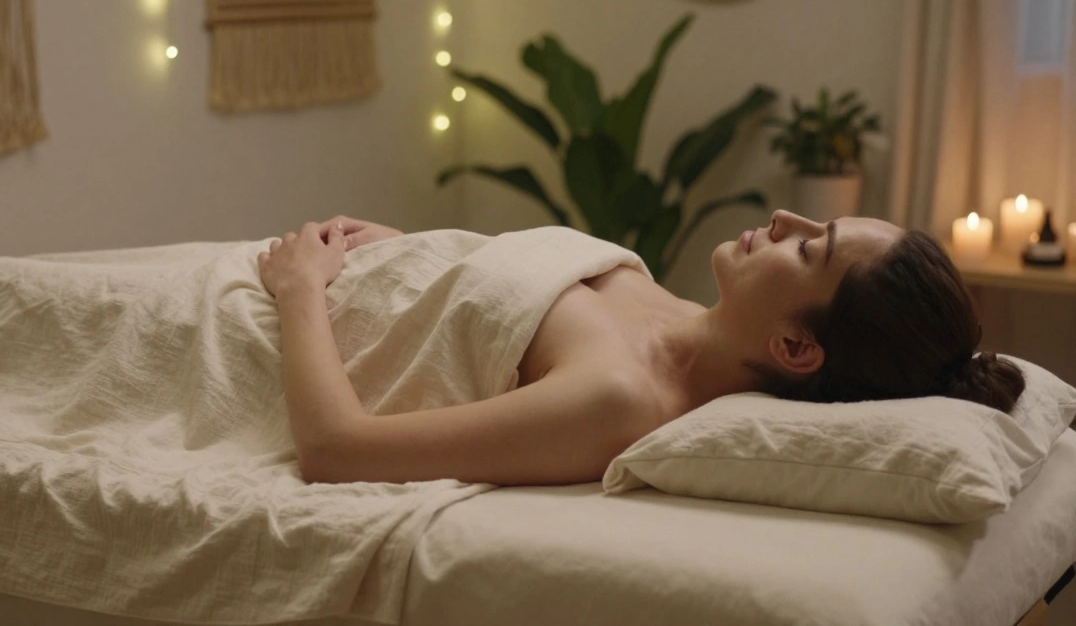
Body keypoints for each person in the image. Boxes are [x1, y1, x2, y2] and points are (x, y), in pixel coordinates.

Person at [257, 210, 1026, 487]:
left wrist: (299, 289)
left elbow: (337, 449)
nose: (785, 217)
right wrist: (418, 254)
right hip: (317, 268)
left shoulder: (618, 400)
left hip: (268, 317)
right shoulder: (680, 310)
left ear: (796, 347)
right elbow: (487, 299)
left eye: (807, 250)